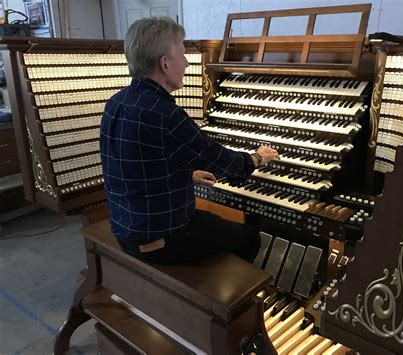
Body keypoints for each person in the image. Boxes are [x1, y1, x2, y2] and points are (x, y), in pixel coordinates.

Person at [100, 17, 279, 265]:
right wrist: (257, 158)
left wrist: (186, 173)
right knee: (249, 238)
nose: (185, 63)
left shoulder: (116, 103)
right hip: (162, 237)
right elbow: (220, 159)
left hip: (125, 228)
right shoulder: (164, 114)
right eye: (182, 55)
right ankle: (224, 297)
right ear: (164, 64)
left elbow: (133, 164)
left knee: (214, 224)